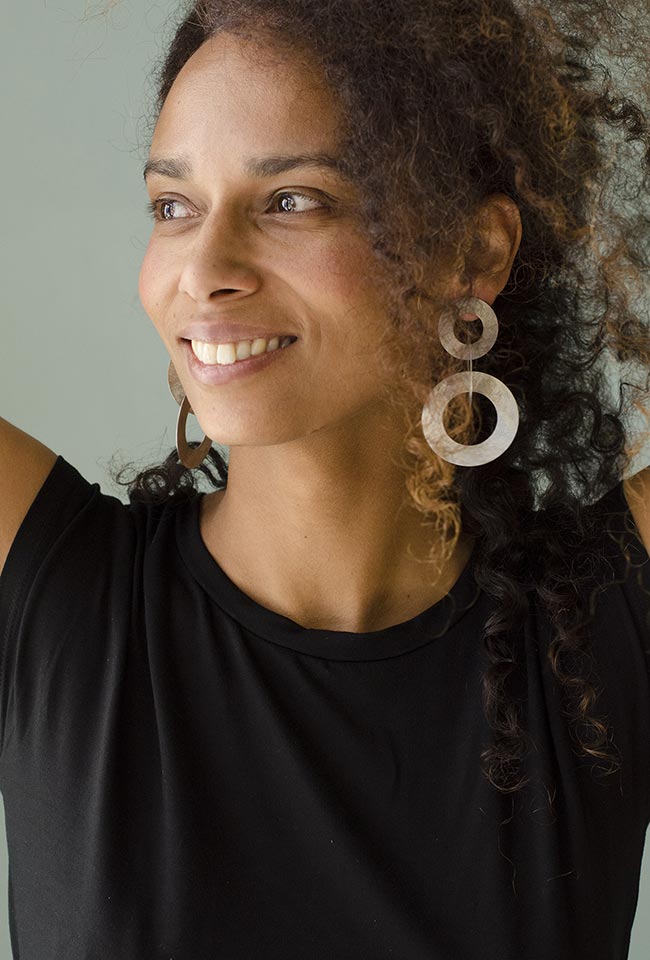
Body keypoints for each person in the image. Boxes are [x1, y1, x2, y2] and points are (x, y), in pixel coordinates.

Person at [1, 1, 650, 957]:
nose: (204, 269)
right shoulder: (49, 591)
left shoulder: (604, 623)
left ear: (472, 254)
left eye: (291, 199)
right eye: (172, 206)